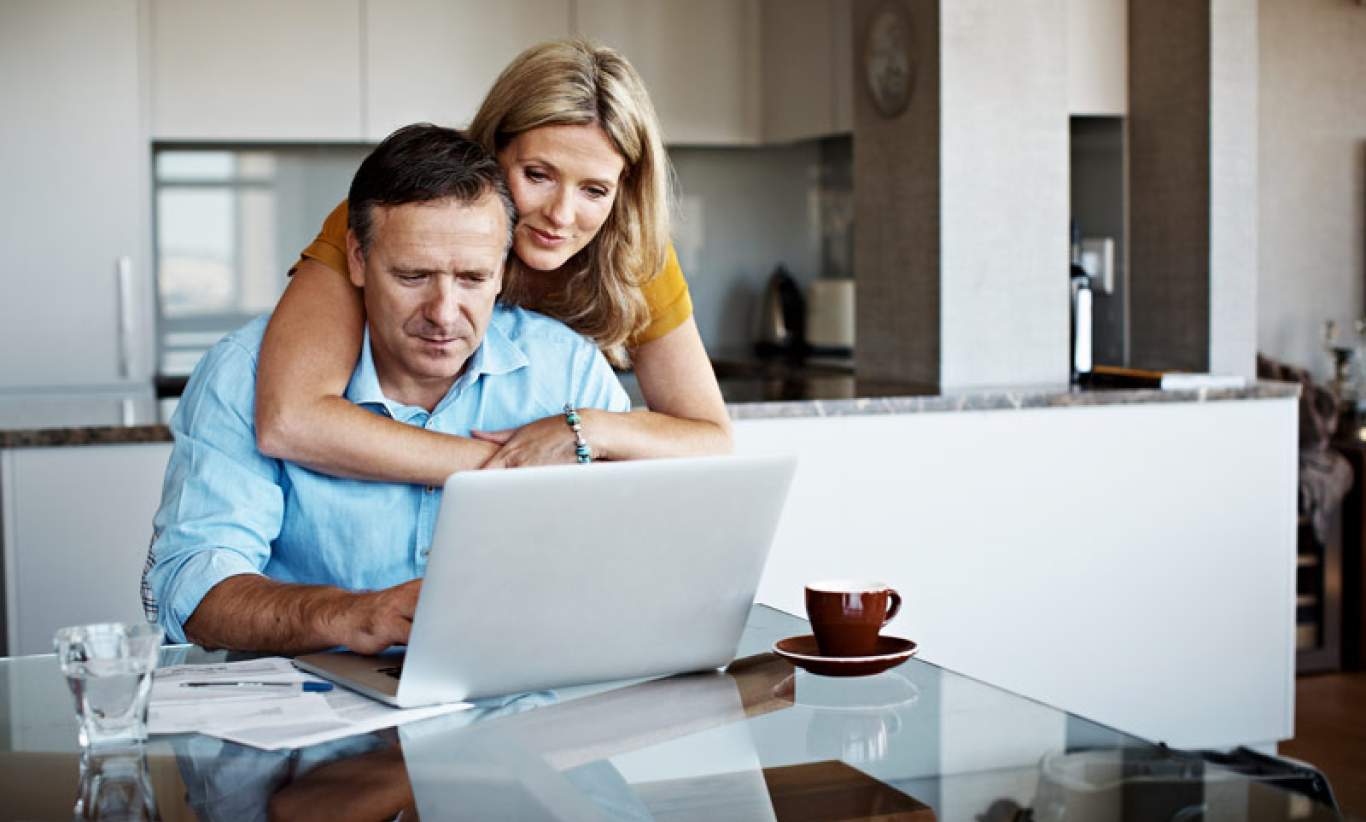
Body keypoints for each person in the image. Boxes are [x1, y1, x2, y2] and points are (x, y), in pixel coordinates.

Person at [146, 124, 629, 653]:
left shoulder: (569, 373)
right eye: (412, 276)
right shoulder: (245, 371)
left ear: (503, 267)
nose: (444, 315)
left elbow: (632, 561)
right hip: (311, 710)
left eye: (472, 278)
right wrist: (349, 615)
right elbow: (189, 588)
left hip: (517, 696)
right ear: (357, 258)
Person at [255, 39, 730, 485]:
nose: (561, 216)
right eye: (538, 175)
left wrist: (585, 430)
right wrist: (509, 470)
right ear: (492, 150)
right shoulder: (401, 212)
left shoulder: (631, 247)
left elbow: (711, 438)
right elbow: (290, 419)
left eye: (594, 190)